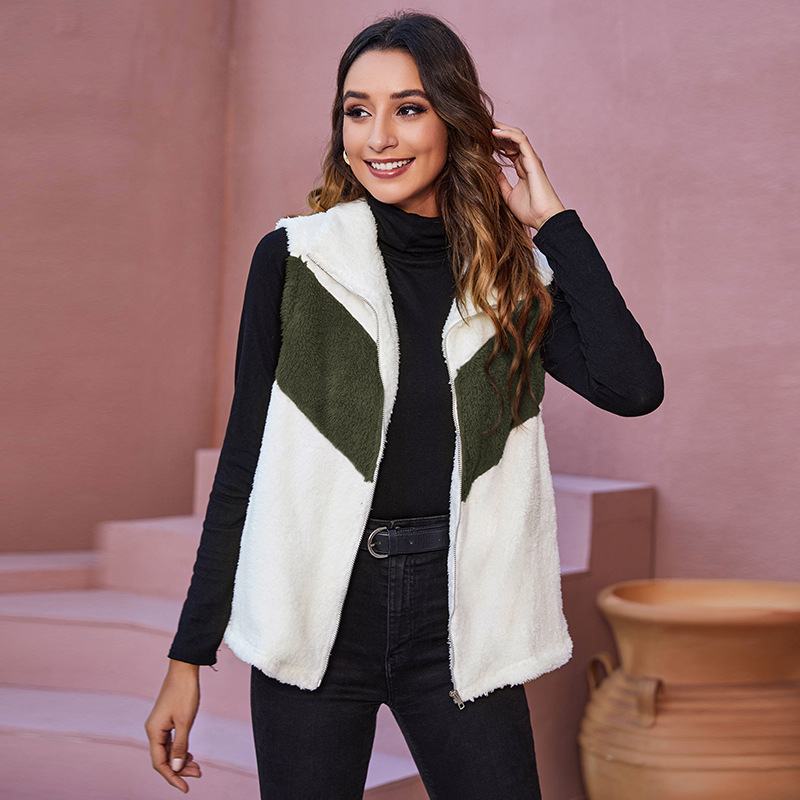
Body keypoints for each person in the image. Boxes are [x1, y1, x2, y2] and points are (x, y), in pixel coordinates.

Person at [145, 11, 663, 799]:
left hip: (462, 617)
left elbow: (633, 387)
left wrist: (552, 224)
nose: (379, 137)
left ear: (453, 120)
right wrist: (189, 657)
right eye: (358, 111)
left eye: (409, 108)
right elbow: (245, 459)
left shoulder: (508, 279)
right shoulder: (298, 261)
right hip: (318, 612)